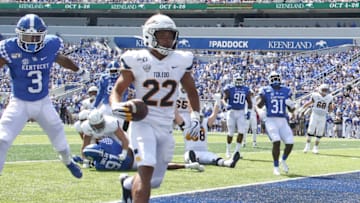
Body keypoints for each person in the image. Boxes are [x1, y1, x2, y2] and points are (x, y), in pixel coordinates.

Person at [110, 13, 201, 203]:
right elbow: (118, 90)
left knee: (155, 181)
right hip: (143, 123)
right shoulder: (135, 58)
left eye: (170, 35)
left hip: (166, 125)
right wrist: (117, 106)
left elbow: (191, 90)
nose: (168, 40)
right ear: (150, 35)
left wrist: (196, 116)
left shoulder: (181, 59)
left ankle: (127, 184)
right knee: (146, 168)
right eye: (163, 35)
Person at [0, 13, 89, 178]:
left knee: (60, 138)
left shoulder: (50, 45)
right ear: (19, 35)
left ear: (43, 36)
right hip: (19, 102)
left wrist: (80, 70)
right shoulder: (9, 48)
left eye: (36, 37)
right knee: (2, 139)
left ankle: (68, 161)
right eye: (28, 37)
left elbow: (62, 59)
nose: (32, 41)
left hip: (43, 102)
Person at [175, 94, 240, 169]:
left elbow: (176, 115)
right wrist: (218, 101)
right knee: (214, 158)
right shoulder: (205, 122)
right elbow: (215, 113)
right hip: (205, 152)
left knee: (188, 155)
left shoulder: (186, 122)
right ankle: (227, 163)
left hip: (193, 151)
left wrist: (173, 104)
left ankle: (193, 162)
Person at [77, 136, 204, 172]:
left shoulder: (100, 167)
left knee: (159, 166)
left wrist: (82, 160)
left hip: (131, 166)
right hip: (133, 154)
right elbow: (120, 143)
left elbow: (96, 162)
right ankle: (187, 166)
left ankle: (187, 166)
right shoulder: (107, 143)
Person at [257, 71, 295, 176]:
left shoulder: (286, 90)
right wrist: (262, 100)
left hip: (282, 120)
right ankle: (276, 166)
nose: (275, 80)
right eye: (273, 78)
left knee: (290, 143)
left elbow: (291, 110)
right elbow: (259, 105)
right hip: (271, 119)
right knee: (276, 141)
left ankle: (283, 159)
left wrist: (291, 105)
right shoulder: (266, 90)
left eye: (276, 77)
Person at [223, 73, 252, 158]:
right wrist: (226, 105)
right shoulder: (230, 88)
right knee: (230, 132)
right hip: (231, 112)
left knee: (241, 132)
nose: (239, 82)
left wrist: (249, 111)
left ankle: (236, 152)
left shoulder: (246, 89)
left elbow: (249, 102)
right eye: (237, 80)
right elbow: (224, 99)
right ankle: (228, 151)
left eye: (240, 81)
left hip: (241, 112)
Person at [300, 84, 333, 154]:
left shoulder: (330, 97)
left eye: (325, 90)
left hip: (323, 116)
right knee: (311, 129)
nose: (324, 92)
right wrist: (303, 108)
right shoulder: (315, 95)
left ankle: (315, 147)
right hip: (315, 114)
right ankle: (307, 146)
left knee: (319, 132)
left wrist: (331, 109)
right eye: (323, 90)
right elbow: (309, 103)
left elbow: (330, 108)